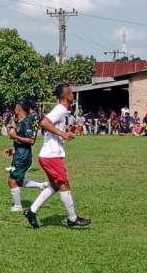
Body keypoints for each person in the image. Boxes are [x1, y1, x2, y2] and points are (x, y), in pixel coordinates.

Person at [24, 84, 91, 229]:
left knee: (55, 186)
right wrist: (63, 134)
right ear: (67, 96)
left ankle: (31, 211)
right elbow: (44, 123)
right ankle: (72, 218)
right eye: (72, 93)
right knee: (64, 184)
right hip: (51, 155)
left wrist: (68, 131)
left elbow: (53, 127)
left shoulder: (63, 111)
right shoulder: (60, 109)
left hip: (50, 155)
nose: (73, 95)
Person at [4, 99, 49, 212]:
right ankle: (39, 185)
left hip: (23, 157)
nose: (14, 109)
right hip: (19, 154)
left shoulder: (27, 122)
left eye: (15, 107)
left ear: (19, 108)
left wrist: (15, 137)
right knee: (18, 181)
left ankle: (18, 206)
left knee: (11, 181)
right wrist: (13, 150)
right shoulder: (21, 122)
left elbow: (31, 140)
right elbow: (23, 142)